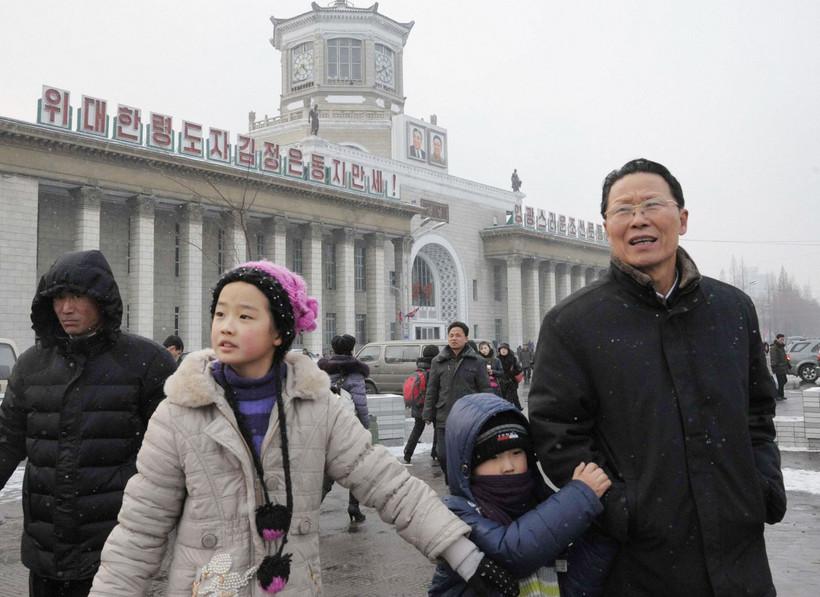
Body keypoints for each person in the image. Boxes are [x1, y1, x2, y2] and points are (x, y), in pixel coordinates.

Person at [90, 261, 519, 597]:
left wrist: (463, 555)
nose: (226, 325)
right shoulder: (180, 410)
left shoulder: (320, 409)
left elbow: (389, 486)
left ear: (279, 332)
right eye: (220, 313)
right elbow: (140, 528)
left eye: (244, 315)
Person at [528, 158, 786, 596]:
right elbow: (558, 436)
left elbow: (758, 414)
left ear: (682, 219)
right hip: (641, 563)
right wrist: (620, 509)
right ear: (606, 226)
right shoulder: (572, 324)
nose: (638, 219)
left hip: (740, 557)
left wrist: (761, 486)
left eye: (651, 204)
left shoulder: (732, 310)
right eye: (623, 210)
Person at [0, 249, 176, 597]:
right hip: (45, 551)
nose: (66, 308)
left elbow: (173, 457)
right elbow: (7, 442)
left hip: (117, 551)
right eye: (58, 298)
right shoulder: (31, 366)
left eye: (77, 297)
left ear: (101, 300)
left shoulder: (146, 363)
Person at [429, 393, 616, 596]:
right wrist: (581, 496)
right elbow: (513, 553)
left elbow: (573, 586)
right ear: (468, 466)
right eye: (493, 457)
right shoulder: (457, 516)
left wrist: (605, 528)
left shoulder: (542, 508)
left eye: (517, 453)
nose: (508, 467)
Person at [423, 322, 492, 478]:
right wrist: (428, 412)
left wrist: (488, 413)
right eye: (451, 335)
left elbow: (485, 389)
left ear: (466, 338)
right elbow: (432, 389)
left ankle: (463, 484)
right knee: (443, 455)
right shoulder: (437, 361)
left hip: (468, 417)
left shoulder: (477, 361)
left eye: (458, 335)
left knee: (466, 453)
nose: (454, 338)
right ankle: (453, 482)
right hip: (444, 415)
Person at [318, 333, 370, 522]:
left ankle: (312, 508)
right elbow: (360, 403)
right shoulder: (355, 373)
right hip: (349, 429)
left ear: (333, 349)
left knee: (325, 471)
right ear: (352, 349)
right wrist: (365, 426)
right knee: (356, 466)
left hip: (325, 426)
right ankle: (353, 507)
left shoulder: (321, 370)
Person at [403, 344, 440, 464]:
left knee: (417, 428)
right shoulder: (434, 369)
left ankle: (408, 453)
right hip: (432, 404)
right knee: (438, 428)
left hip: (418, 404)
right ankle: (435, 452)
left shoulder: (419, 368)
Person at [496, 343, 523, 410]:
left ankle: (517, 409)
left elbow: (519, 369)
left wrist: (512, 372)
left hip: (512, 381)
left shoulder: (513, 358)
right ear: (499, 350)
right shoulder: (497, 359)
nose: (503, 350)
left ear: (508, 350)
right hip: (501, 382)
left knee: (514, 396)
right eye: (502, 349)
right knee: (503, 397)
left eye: (505, 349)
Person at [770, 333, 789, 401]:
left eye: (783, 339)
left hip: (783, 367)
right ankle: (778, 395)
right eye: (781, 339)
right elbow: (774, 358)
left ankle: (780, 395)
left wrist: (788, 364)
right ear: (777, 339)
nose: (782, 341)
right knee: (781, 382)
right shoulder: (774, 347)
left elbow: (784, 356)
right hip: (778, 367)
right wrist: (774, 366)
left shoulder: (781, 347)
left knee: (784, 381)